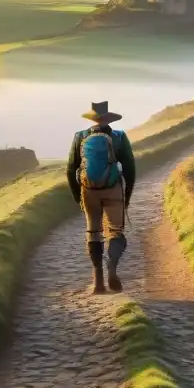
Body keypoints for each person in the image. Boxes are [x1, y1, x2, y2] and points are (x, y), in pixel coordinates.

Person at [66, 101, 136, 293]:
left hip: (88, 191)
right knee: (115, 230)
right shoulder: (119, 137)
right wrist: (126, 196)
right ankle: (111, 265)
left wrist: (77, 197)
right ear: (109, 119)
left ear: (92, 119)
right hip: (113, 189)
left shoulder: (80, 137)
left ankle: (97, 282)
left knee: (93, 231)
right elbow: (130, 168)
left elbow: (71, 169)